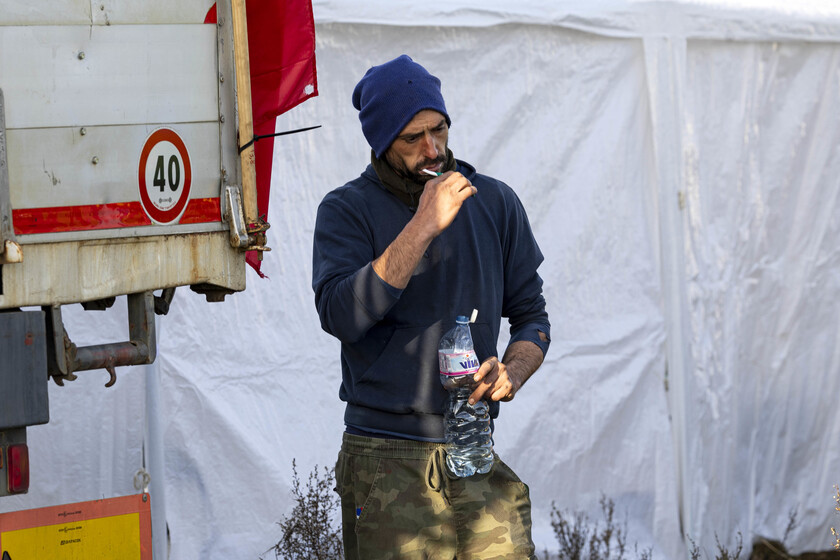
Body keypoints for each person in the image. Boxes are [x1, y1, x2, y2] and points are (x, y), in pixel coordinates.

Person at [311, 54, 551, 559]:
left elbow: (532, 317)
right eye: (412, 137)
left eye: (439, 129)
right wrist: (423, 224)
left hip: (474, 446)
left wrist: (513, 371)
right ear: (380, 142)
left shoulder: (495, 202)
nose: (432, 149)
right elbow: (341, 316)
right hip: (385, 455)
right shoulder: (346, 209)